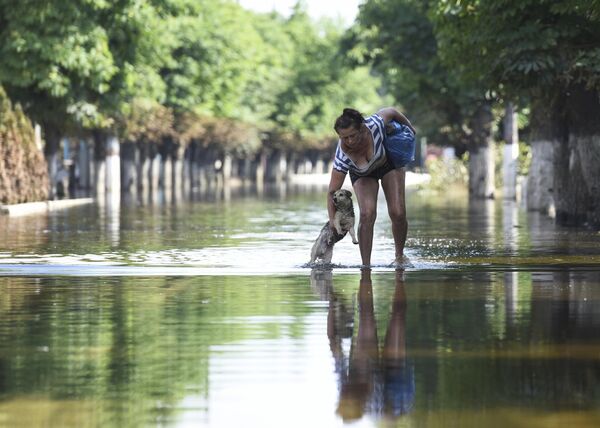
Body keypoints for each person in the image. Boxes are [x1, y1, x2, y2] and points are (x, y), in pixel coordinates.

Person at [328, 107, 416, 268]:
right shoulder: (343, 155)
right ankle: (366, 266)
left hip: (388, 164)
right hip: (362, 174)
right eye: (344, 138)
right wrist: (333, 221)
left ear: (361, 128)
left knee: (398, 212)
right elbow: (332, 192)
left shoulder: (374, 124)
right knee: (367, 214)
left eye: (352, 135)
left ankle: (400, 256)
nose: (349, 141)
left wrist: (410, 127)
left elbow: (392, 111)